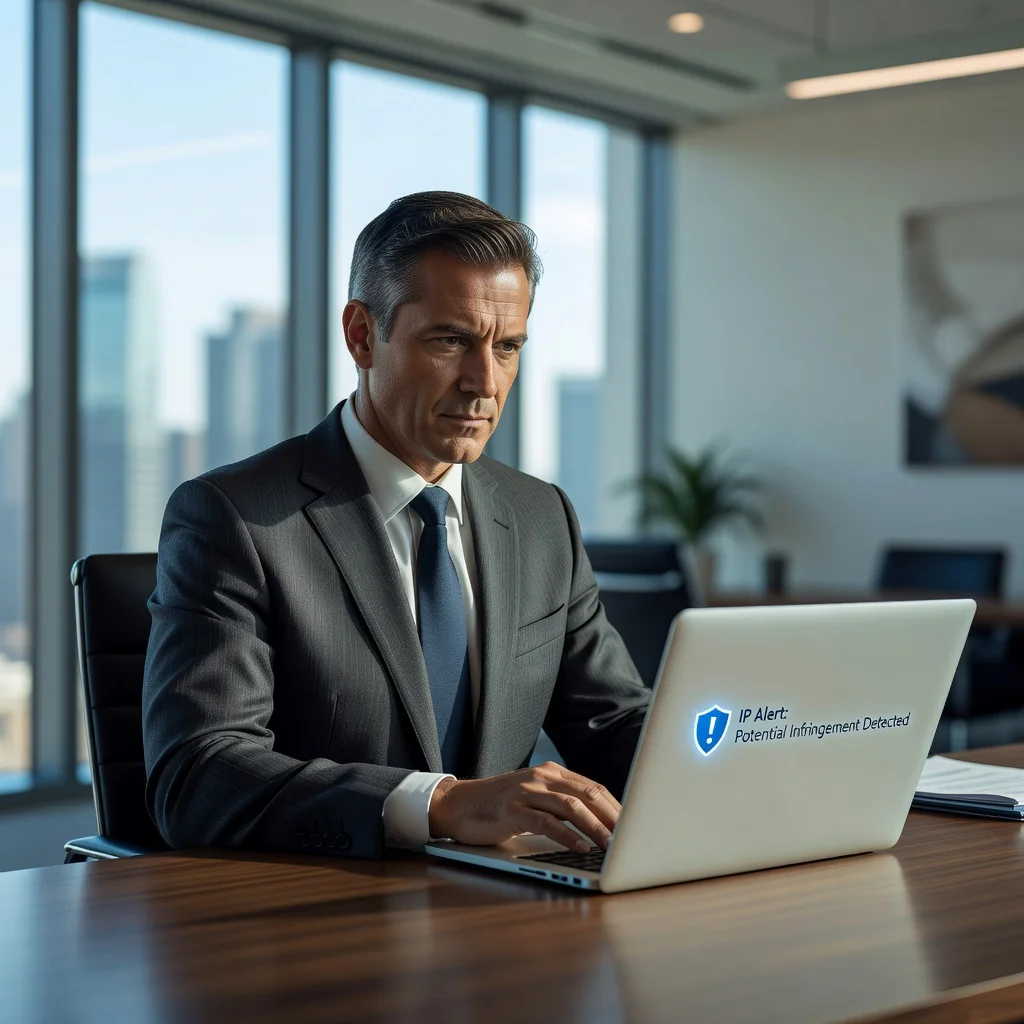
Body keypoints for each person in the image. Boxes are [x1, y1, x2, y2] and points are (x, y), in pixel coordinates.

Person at [142, 191, 651, 859]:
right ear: (362, 335)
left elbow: (613, 723)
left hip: (510, 901)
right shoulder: (236, 518)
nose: (484, 382)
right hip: (326, 904)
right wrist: (440, 805)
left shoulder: (540, 516)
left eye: (508, 347)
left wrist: (746, 765)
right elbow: (199, 775)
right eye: (450, 340)